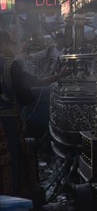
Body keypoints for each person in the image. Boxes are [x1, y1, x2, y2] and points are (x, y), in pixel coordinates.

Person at [0, 30, 71, 197]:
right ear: (3, 44)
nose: (11, 48)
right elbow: (29, 91)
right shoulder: (10, 65)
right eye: (9, 44)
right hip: (7, 123)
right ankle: (11, 195)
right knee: (11, 157)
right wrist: (59, 76)